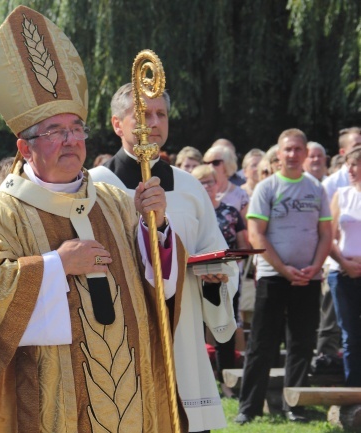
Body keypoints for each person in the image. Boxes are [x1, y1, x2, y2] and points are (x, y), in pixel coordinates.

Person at [0, 6, 194, 433]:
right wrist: (55, 266)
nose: (71, 139)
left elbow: (158, 290)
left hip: (133, 392)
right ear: (24, 147)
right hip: (46, 399)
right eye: (55, 131)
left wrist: (158, 230)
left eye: (76, 128)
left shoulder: (114, 201)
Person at [90, 83, 238, 432]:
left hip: (181, 329)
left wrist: (214, 279)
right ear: (117, 124)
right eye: (143, 115)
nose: (153, 123)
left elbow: (214, 253)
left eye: (161, 114)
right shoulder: (94, 187)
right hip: (120, 331)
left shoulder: (188, 188)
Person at [236, 129, 332, 424]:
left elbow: (326, 233)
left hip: (308, 278)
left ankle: (296, 405)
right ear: (278, 153)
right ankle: (249, 408)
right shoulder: (267, 188)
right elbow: (255, 235)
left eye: (297, 149)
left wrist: (315, 267)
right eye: (287, 149)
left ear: (305, 153)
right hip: (273, 277)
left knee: (302, 343)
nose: (292, 154)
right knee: (262, 344)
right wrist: (283, 269)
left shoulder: (316, 188)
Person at [191, 164, 249, 396]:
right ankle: (202, 380)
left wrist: (232, 263)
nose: (206, 187)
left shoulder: (231, 212)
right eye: (201, 182)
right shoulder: (190, 214)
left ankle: (227, 381)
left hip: (225, 279)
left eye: (210, 182)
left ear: (218, 184)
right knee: (197, 328)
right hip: (194, 280)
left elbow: (243, 245)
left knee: (226, 326)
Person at [328, 146, 361, 387]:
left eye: (356, 164)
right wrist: (345, 263)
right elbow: (328, 237)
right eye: (348, 164)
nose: (350, 169)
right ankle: (353, 390)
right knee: (350, 335)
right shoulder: (341, 194)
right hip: (342, 272)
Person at [203, 145, 250, 217]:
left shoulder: (241, 195)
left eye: (216, 162)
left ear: (227, 164)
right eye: (206, 163)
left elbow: (245, 225)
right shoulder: (201, 191)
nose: (210, 166)